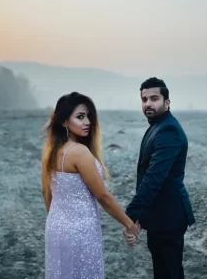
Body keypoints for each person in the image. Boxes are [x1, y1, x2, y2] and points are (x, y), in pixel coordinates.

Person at [42, 92, 139, 279]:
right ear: (63, 121)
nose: (87, 122)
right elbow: (103, 196)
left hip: (56, 228)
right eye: (80, 117)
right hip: (80, 231)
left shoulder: (51, 152)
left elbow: (48, 194)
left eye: (88, 116)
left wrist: (60, 223)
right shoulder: (79, 152)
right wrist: (129, 225)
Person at [123, 77, 196, 279]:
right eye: (144, 99)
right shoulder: (157, 126)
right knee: (162, 272)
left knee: (170, 273)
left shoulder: (168, 130)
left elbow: (154, 178)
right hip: (158, 215)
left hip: (170, 216)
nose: (148, 104)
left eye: (154, 98)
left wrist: (130, 215)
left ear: (167, 102)